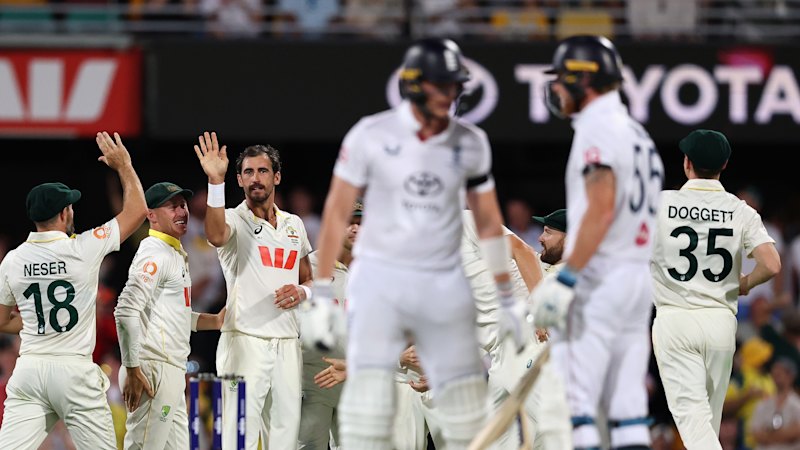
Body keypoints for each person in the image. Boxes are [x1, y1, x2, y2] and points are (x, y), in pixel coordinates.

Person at [302, 37, 529, 449]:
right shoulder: (370, 136)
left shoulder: (470, 143)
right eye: (444, 85)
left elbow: (492, 225)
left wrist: (511, 300)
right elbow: (336, 213)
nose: (453, 95)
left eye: (456, 86)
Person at [530, 35, 665, 449]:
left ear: (581, 80)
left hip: (600, 277)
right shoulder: (637, 133)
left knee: (577, 404)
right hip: (636, 279)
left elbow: (601, 209)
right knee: (628, 411)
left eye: (559, 79)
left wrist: (567, 278)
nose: (554, 89)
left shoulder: (597, 129)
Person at [0, 131, 147, 449]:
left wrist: (36, 325)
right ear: (65, 213)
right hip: (74, 371)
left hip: (30, 369)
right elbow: (137, 212)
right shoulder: (84, 247)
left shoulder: (13, 260)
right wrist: (124, 166)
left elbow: (2, 321)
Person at [650, 129, 781, 450]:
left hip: (676, 319)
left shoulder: (661, 204)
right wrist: (744, 284)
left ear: (686, 163)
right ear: (724, 164)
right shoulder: (740, 210)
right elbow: (772, 264)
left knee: (694, 422)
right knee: (707, 421)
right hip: (721, 323)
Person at [194, 132, 314, 450]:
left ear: (276, 176)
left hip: (288, 343)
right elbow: (216, 235)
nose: (255, 178)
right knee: (236, 437)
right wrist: (215, 182)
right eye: (248, 172)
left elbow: (310, 279)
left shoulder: (294, 225)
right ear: (239, 179)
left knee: (286, 438)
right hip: (244, 341)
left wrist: (304, 293)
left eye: (262, 171)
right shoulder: (234, 218)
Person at [114, 182, 226, 450]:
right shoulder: (155, 252)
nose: (182, 211)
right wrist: (132, 368)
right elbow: (125, 310)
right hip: (152, 368)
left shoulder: (175, 253)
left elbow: (177, 316)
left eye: (183, 205)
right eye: (172, 206)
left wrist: (216, 320)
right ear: (151, 215)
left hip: (171, 370)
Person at [298, 200, 362, 449]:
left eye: (361, 223)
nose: (356, 228)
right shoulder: (309, 267)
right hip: (314, 381)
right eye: (349, 222)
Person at [750, 357, 800, 449]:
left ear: (790, 376)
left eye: (779, 374)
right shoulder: (763, 405)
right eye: (775, 374)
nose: (776, 377)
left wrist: (768, 434)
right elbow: (756, 434)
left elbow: (797, 432)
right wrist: (787, 433)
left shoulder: (797, 404)